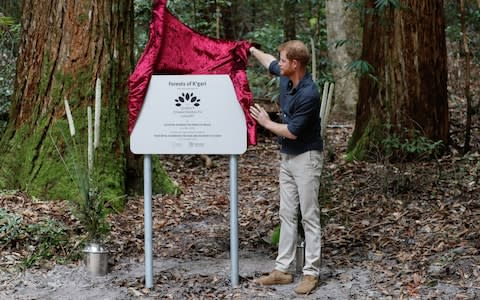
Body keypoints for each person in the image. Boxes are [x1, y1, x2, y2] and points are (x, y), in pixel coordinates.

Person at [249, 40, 323, 295]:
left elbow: (291, 132)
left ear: (295, 64)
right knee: (287, 213)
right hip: (287, 158)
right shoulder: (285, 77)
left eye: (283, 60)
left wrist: (266, 123)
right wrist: (250, 49)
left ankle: (311, 273)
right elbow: (268, 60)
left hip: (306, 157)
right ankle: (283, 270)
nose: (278, 64)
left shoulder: (309, 94)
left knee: (309, 216)